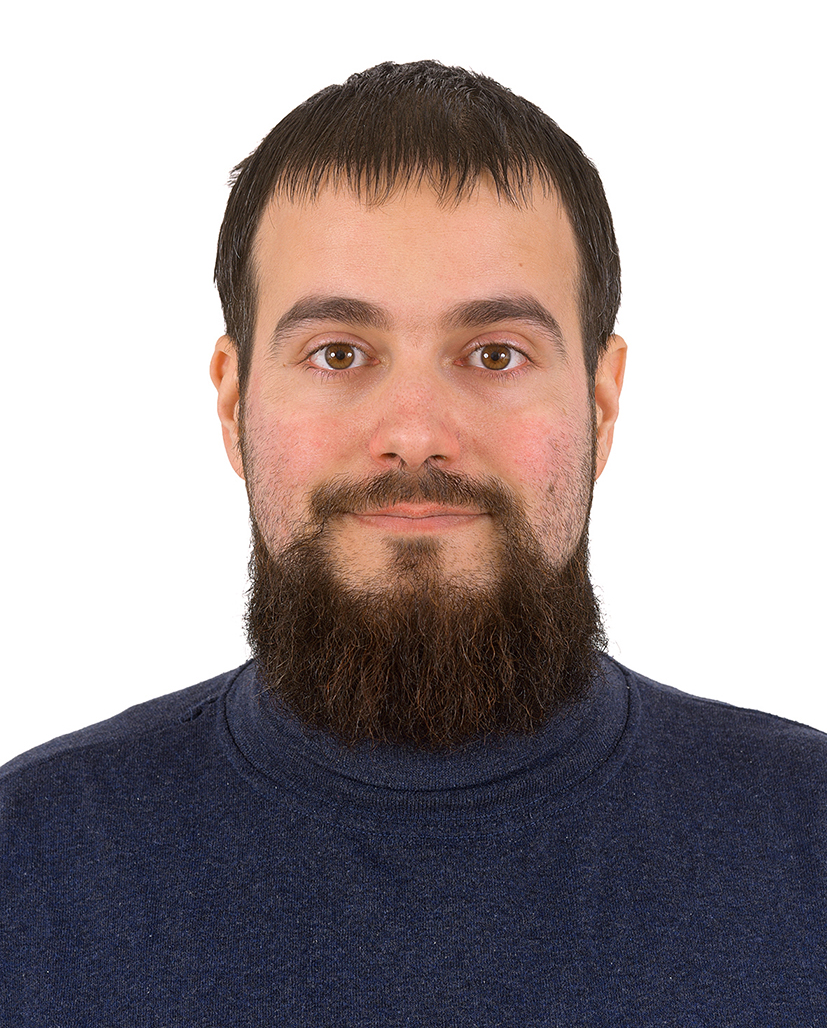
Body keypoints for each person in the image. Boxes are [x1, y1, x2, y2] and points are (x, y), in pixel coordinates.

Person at [2, 61, 824, 1025]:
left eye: (495, 354)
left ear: (601, 402)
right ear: (232, 403)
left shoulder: (806, 842)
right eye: (338, 353)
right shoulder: (30, 865)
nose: (416, 432)